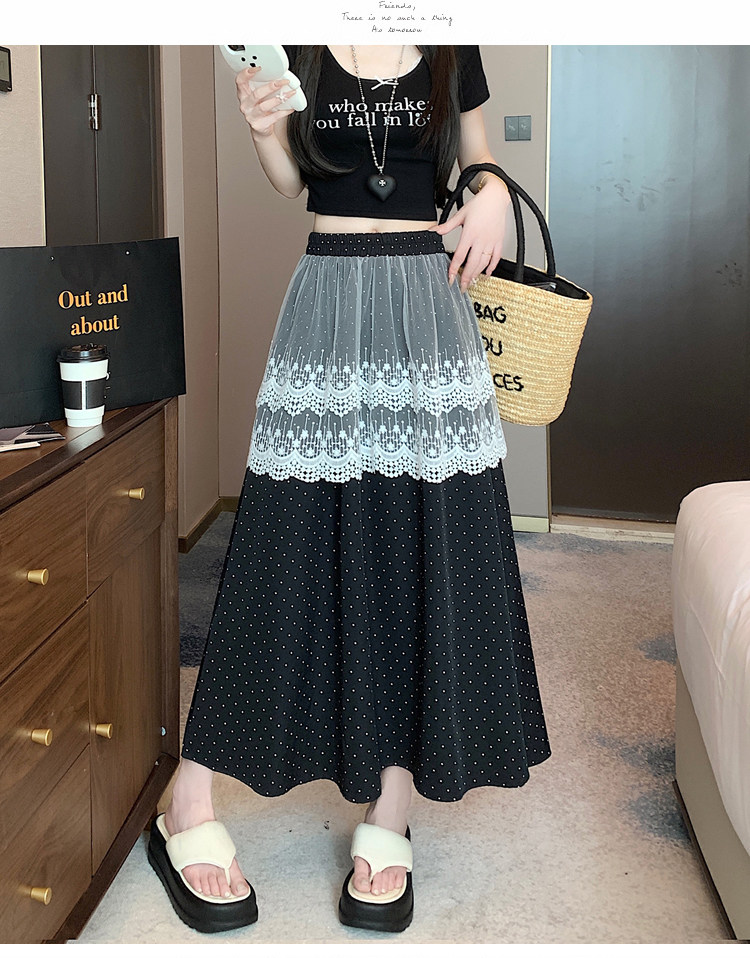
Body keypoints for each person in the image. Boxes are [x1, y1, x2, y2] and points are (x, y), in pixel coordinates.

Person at [148, 44, 552, 935]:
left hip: (427, 300)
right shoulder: (298, 39)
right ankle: (189, 797)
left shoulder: (448, 39)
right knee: (279, 543)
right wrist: (263, 129)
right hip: (327, 295)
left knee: (420, 541)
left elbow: (478, 157)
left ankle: (392, 810)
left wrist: (489, 190)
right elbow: (294, 180)